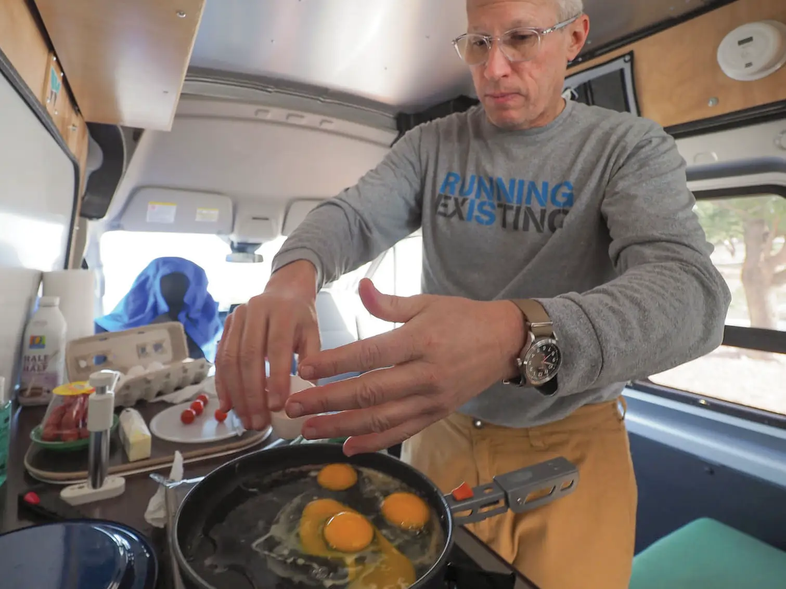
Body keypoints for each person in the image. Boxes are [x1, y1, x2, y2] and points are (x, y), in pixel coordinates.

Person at [215, 0, 731, 586]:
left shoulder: (630, 148)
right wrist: (292, 278)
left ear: (575, 38)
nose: (495, 69)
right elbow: (354, 217)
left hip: (576, 436)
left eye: (521, 39)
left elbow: (693, 297)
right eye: (478, 44)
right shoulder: (432, 145)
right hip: (441, 427)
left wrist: (519, 334)